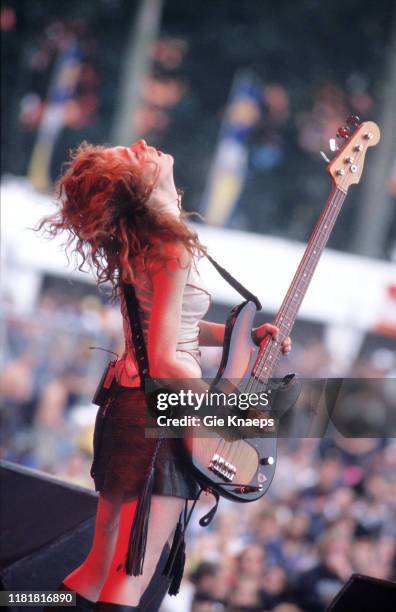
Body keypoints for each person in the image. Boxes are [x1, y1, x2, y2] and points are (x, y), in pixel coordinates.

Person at [38, 139, 291, 611]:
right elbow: (166, 358)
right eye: (133, 156)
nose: (142, 144)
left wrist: (243, 338)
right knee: (127, 579)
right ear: (141, 187)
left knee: (98, 570)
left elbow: (178, 331)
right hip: (160, 415)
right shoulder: (169, 243)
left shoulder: (151, 241)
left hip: (128, 406)